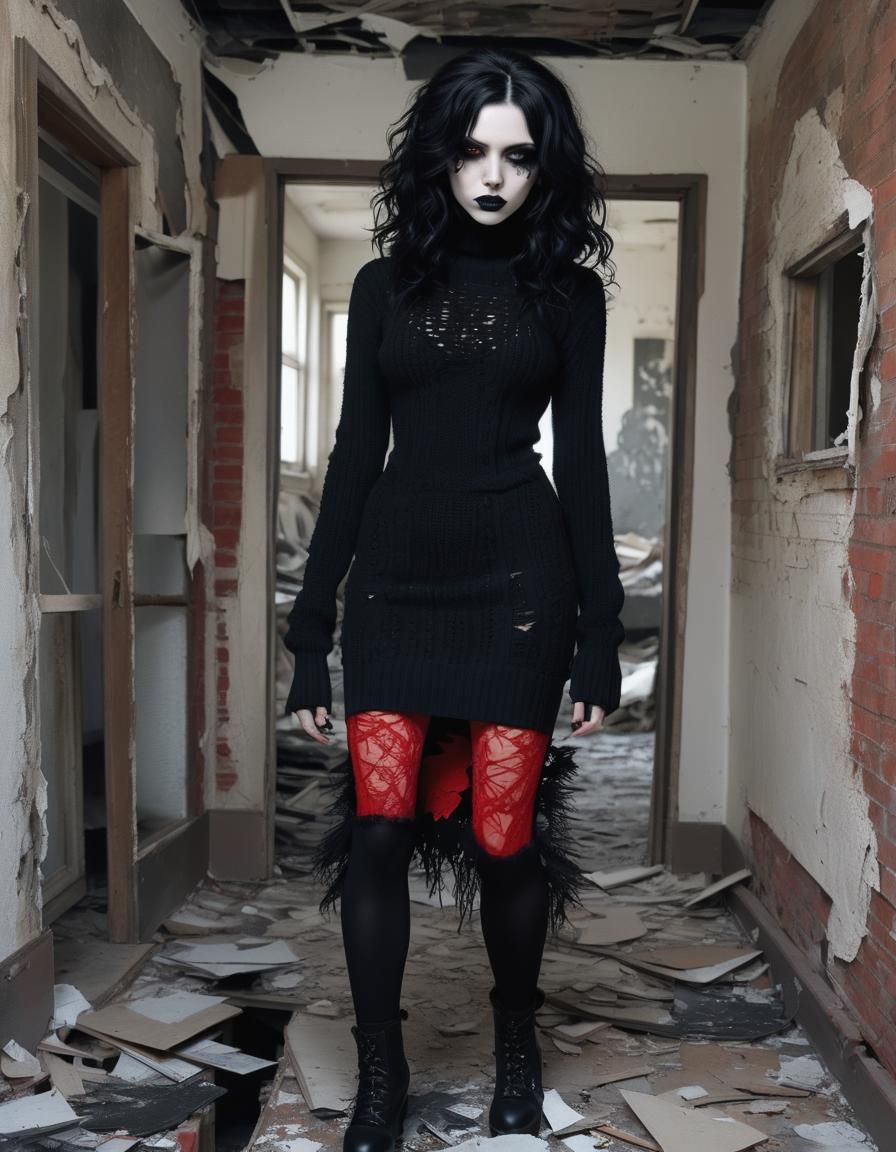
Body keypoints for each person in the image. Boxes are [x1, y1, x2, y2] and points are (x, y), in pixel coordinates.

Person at [283, 45, 625, 1152]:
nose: (491, 176)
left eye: (517, 156)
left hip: (518, 584)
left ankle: (513, 1044)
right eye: (472, 150)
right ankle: (381, 1077)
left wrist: (599, 636)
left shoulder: (567, 296)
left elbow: (582, 469)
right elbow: (348, 458)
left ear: (543, 169)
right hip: (393, 582)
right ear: (438, 155)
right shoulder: (387, 286)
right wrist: (307, 631)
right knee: (376, 835)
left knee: (502, 837)